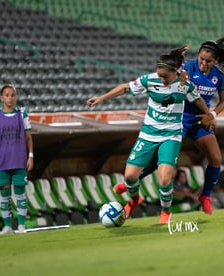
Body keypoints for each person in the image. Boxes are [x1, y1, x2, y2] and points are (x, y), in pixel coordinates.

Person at [115, 34, 224, 215]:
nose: (204, 63)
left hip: (200, 120)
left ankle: (205, 196)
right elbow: (168, 74)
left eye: (208, 61)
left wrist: (212, 114)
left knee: (216, 159)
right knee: (159, 159)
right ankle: (130, 182)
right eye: (202, 59)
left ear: (215, 61)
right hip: (179, 119)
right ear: (197, 55)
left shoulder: (218, 77)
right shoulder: (187, 67)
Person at [87, 45, 213, 224]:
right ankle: (135, 200)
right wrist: (100, 98)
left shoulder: (185, 85)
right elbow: (125, 88)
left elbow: (197, 99)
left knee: (164, 178)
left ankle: (165, 211)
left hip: (171, 135)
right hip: (148, 133)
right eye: (159, 75)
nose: (161, 79)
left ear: (176, 71)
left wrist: (208, 115)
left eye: (165, 76)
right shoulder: (149, 80)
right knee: (130, 176)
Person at [0, 84, 34, 234]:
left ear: (16, 97)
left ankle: (21, 226)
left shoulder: (22, 115)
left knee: (20, 194)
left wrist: (30, 155)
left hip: (19, 160)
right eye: (7, 95)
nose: (10, 98)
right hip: (1, 161)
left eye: (12, 95)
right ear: (1, 98)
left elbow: (28, 137)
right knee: (5, 196)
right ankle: (7, 226)